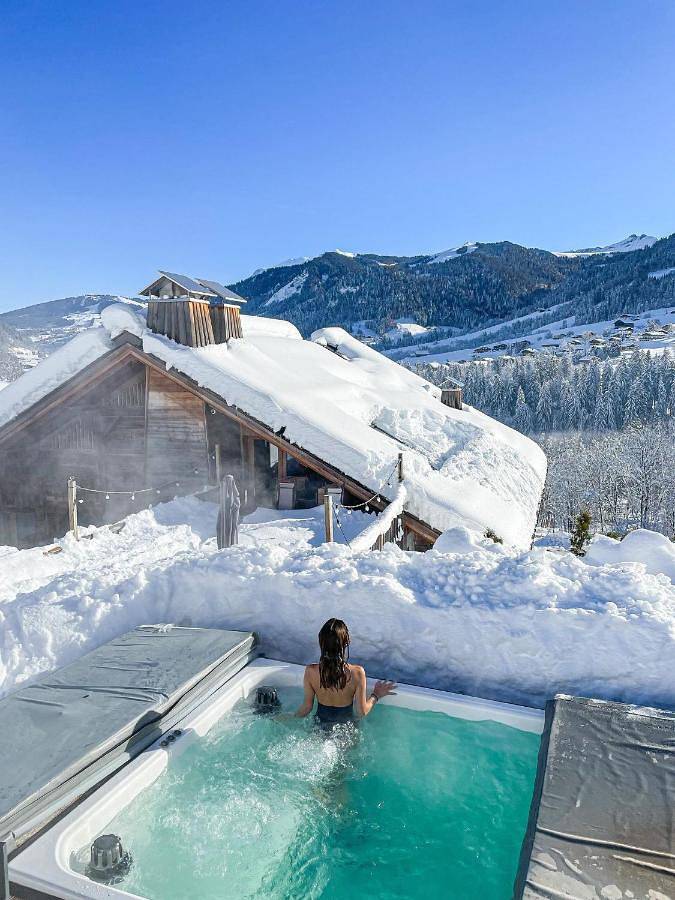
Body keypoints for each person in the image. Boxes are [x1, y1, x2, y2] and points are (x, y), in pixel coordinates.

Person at [295, 618, 396, 727]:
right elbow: (361, 712)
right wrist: (376, 695)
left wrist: (286, 717)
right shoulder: (357, 673)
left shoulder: (311, 671)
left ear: (321, 642)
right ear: (347, 642)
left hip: (319, 729)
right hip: (346, 731)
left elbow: (306, 709)